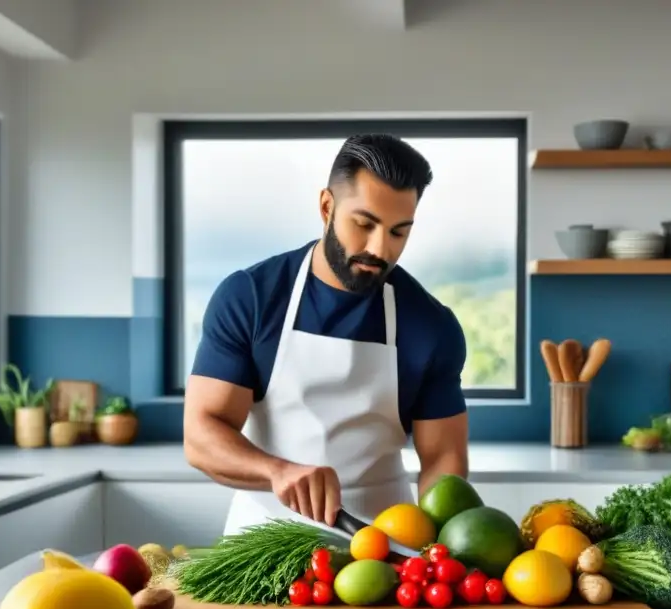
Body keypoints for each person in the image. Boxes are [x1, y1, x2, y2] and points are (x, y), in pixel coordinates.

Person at [184, 133, 469, 537]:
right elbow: (201, 433)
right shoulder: (250, 298)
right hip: (259, 547)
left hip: (384, 552)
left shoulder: (431, 325)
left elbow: (444, 460)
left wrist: (442, 551)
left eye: (398, 232)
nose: (379, 248)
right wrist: (276, 471)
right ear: (326, 207)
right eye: (364, 224)